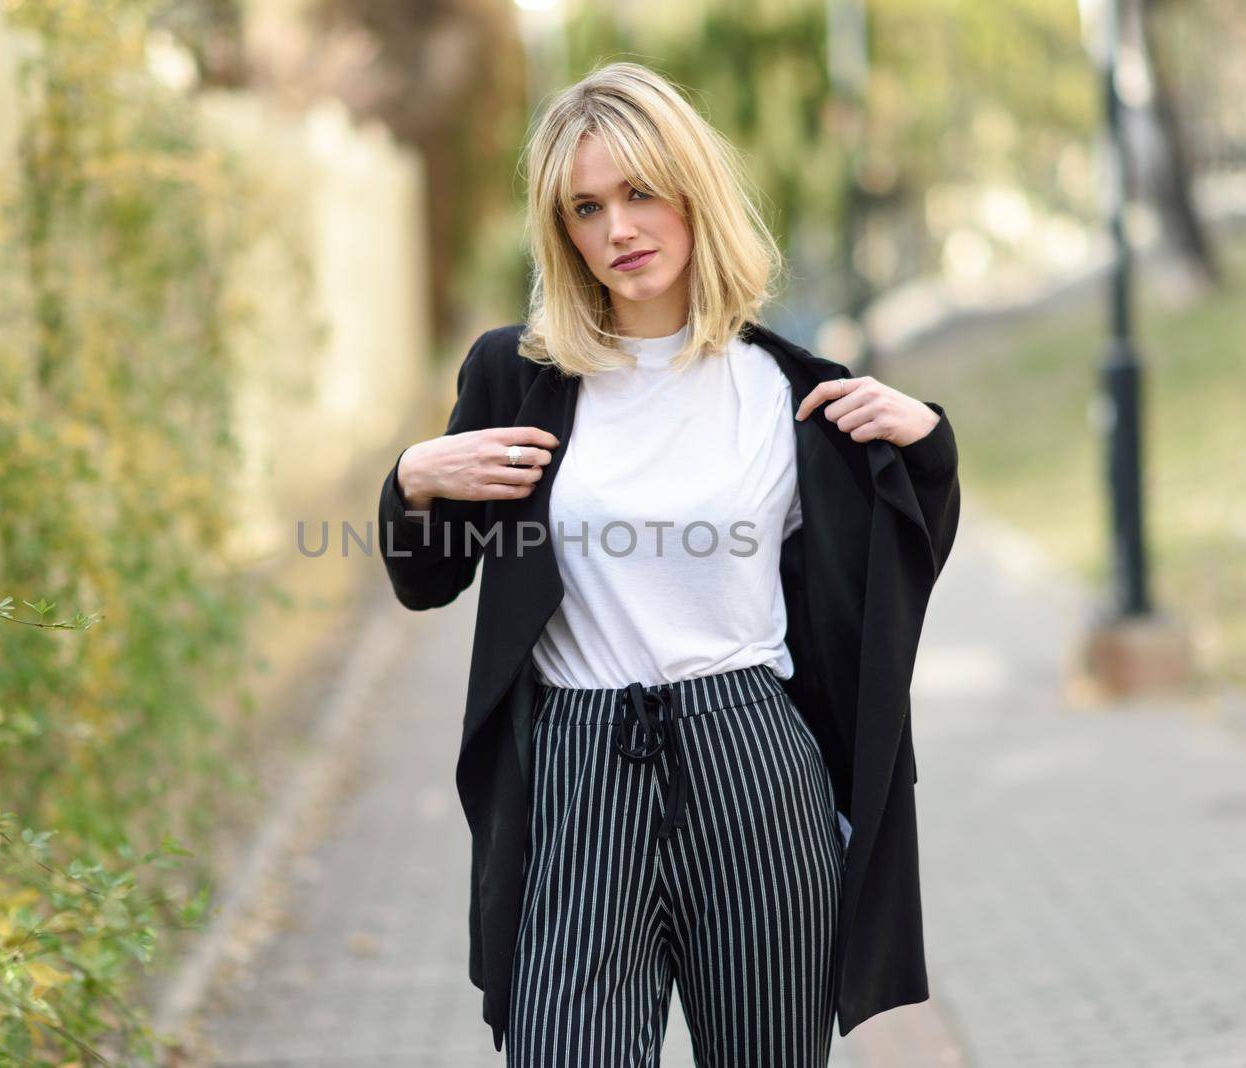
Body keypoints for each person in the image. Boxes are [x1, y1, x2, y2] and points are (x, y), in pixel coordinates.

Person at [377, 61, 961, 1066]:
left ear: (692, 191)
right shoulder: (514, 377)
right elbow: (428, 578)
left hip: (752, 771)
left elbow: (891, 579)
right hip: (577, 772)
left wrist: (926, 448)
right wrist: (412, 481)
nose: (617, 229)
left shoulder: (789, 394)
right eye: (586, 207)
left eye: (640, 191)